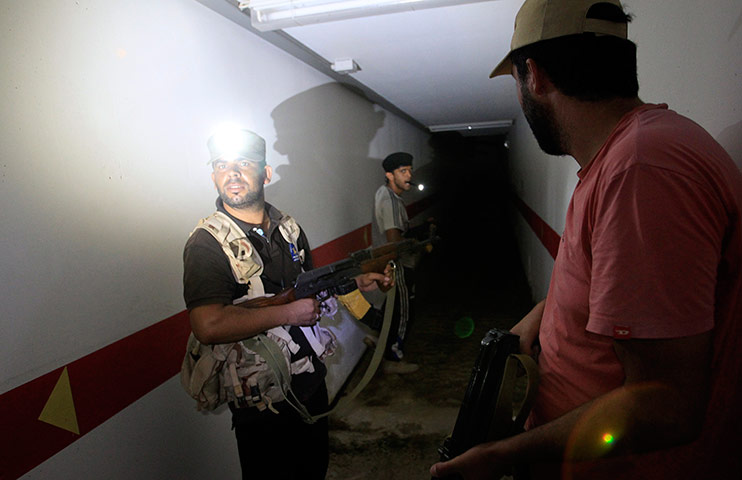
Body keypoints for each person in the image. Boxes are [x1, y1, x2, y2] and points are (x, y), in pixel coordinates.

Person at [430, 0, 742, 479]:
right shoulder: (622, 161)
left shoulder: (641, 170)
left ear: (533, 75)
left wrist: (502, 455)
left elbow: (668, 406)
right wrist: (540, 317)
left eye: (515, 81)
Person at [183, 126, 392, 480]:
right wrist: (288, 312)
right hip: (262, 400)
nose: (231, 174)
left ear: (265, 173)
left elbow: (306, 286)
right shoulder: (206, 244)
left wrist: (356, 281)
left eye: (243, 163)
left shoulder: (289, 229)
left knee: (314, 470)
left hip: (309, 380)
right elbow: (208, 325)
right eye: (221, 165)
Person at [370, 152, 424, 374]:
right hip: (397, 264)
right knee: (404, 312)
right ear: (389, 175)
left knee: (393, 308)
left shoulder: (387, 195)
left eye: (410, 170)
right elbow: (394, 240)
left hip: (392, 262)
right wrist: (413, 242)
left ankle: (380, 340)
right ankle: (393, 358)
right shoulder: (390, 200)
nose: (409, 175)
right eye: (403, 171)